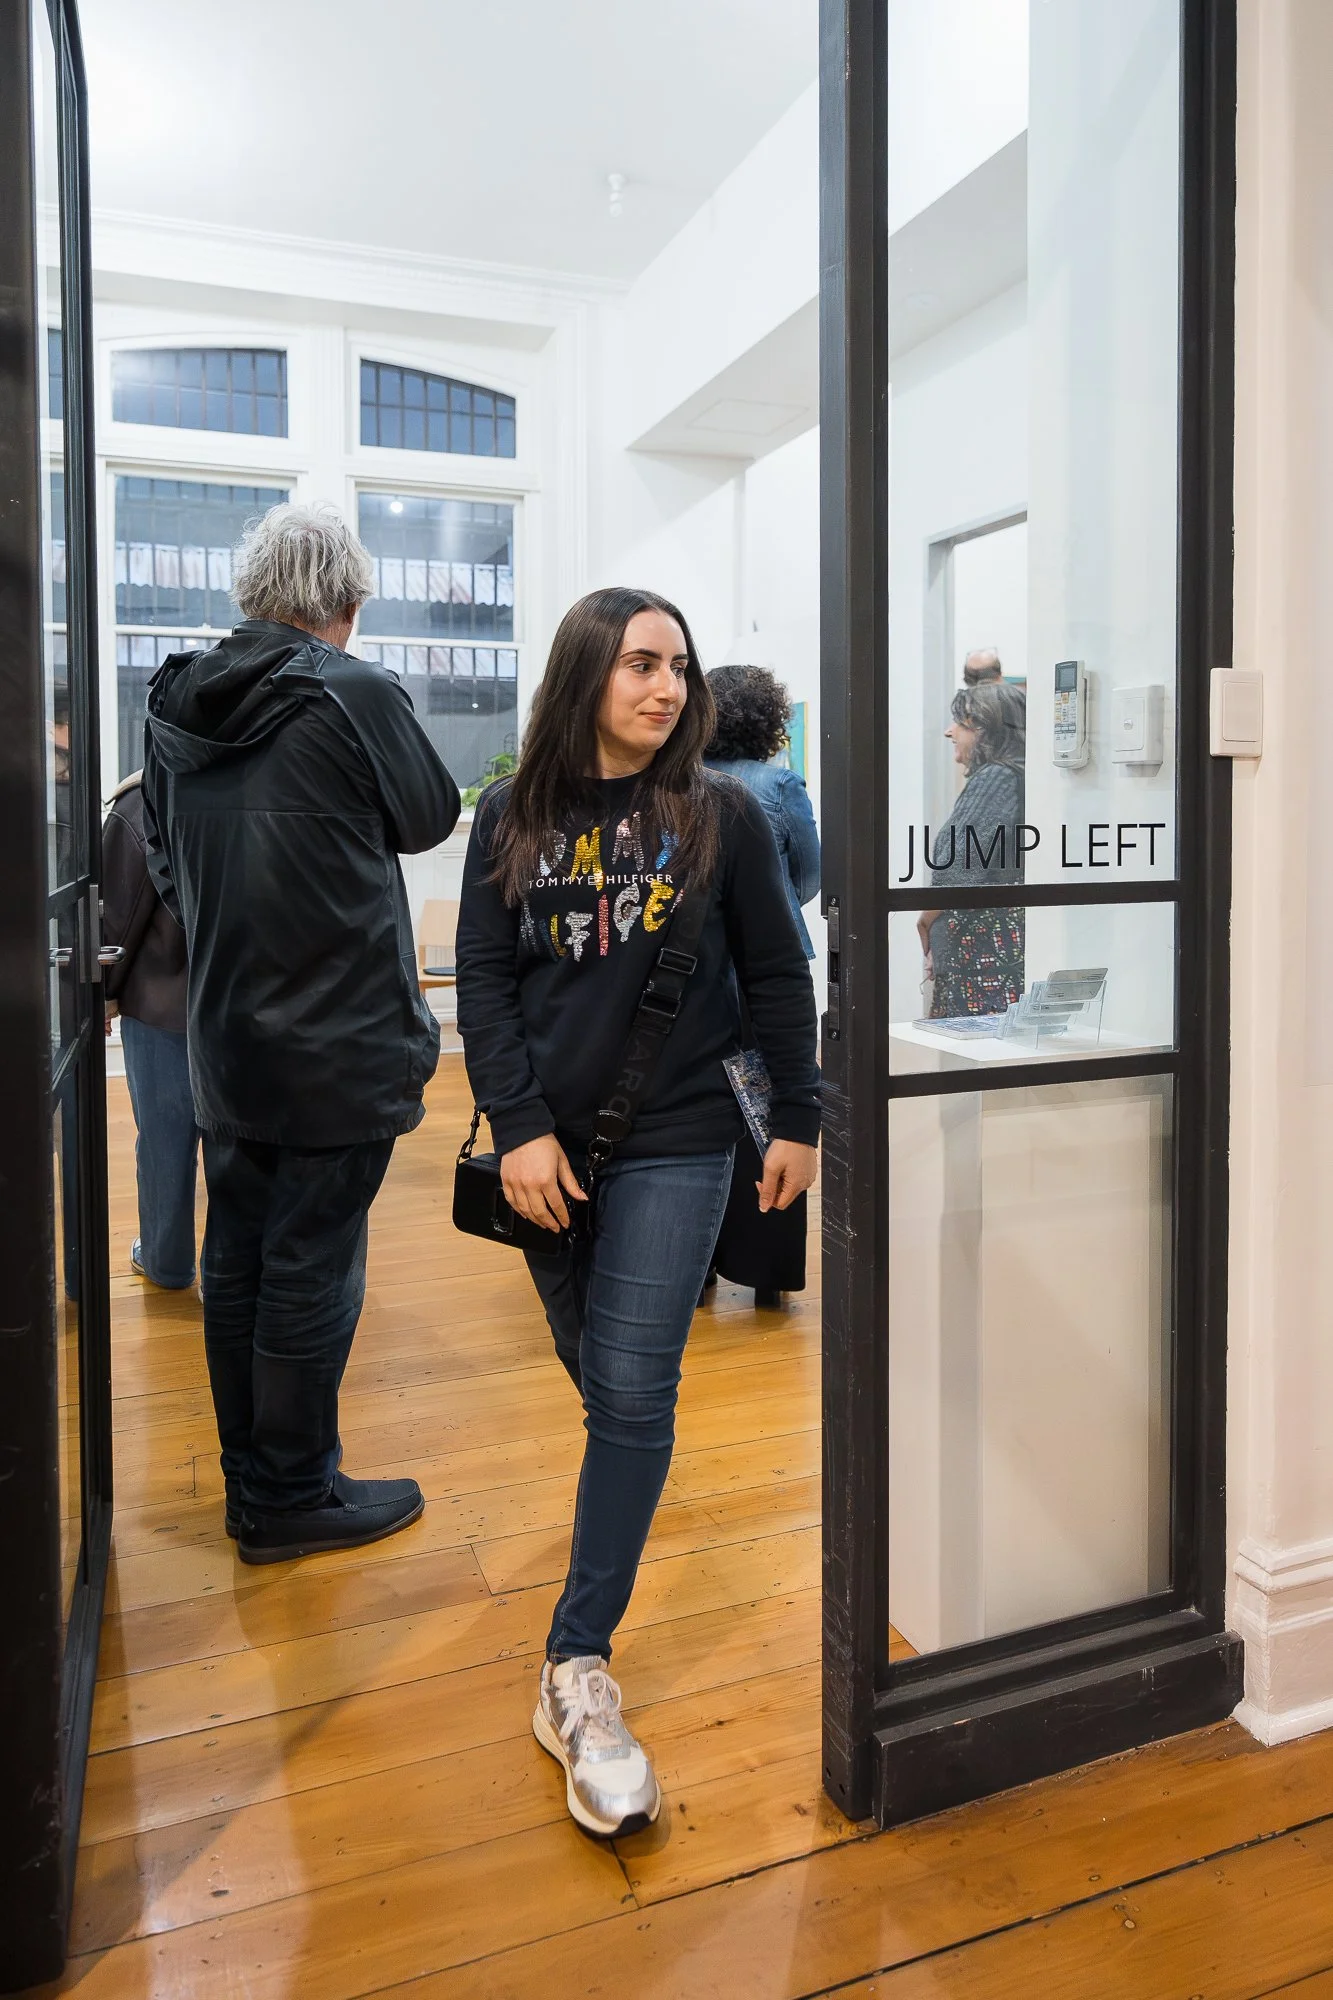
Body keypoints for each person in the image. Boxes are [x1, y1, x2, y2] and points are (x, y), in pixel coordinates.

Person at [456, 586, 820, 1837]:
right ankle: (590, 1606)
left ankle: (575, 1663)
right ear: (585, 677)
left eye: (679, 667)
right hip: (544, 1156)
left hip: (677, 1138)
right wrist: (515, 1125)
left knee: (632, 1386)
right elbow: (487, 984)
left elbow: (778, 969)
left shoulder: (717, 814)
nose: (667, 689)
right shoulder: (511, 815)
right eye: (640, 666)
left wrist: (804, 1118)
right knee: (610, 1382)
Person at [142, 502, 460, 1563]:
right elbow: (429, 816)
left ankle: (259, 1482)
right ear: (349, 602)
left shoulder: (172, 703)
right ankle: (289, 1495)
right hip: (340, 1040)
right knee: (314, 1266)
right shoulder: (352, 689)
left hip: (226, 1033)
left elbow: (161, 865)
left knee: (239, 1256)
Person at [703, 662, 820, 1306]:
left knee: (701, 1109)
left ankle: (698, 1265)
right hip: (767, 973)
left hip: (693, 970)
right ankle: (769, 1271)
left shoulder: (679, 781)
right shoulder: (778, 781)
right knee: (769, 1107)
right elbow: (808, 873)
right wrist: (767, 909)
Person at [102, 770, 200, 1291]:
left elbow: (117, 916)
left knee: (165, 1142)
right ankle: (234, 1272)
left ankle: (166, 1261)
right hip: (249, 1003)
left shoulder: (142, 801)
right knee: (242, 1147)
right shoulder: (261, 783)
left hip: (162, 1005)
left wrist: (101, 992)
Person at [916, 679, 1027, 1018]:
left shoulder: (998, 777)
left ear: (984, 730)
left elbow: (961, 863)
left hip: (981, 950)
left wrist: (925, 917)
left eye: (960, 724)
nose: (950, 732)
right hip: (988, 946)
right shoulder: (1013, 776)